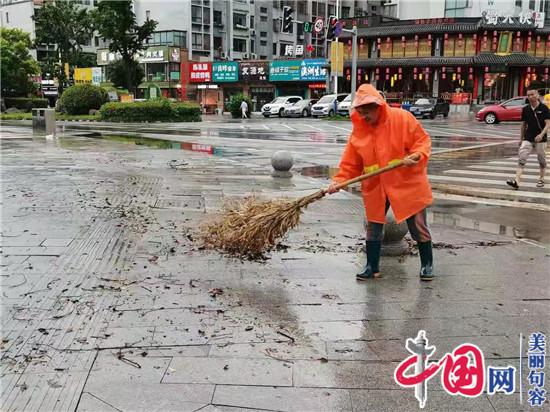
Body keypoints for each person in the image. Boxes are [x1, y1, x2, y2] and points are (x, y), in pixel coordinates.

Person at [327, 84, 434, 281]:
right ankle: (372, 267)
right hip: (376, 186)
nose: (363, 117)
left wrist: (417, 155)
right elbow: (350, 163)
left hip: (406, 182)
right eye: (360, 112)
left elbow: (422, 142)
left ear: (378, 106)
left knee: (418, 225)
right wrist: (339, 181)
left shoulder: (402, 119)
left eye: (366, 112)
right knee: (373, 226)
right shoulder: (359, 132)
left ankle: (427, 264)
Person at [506, 87, 549, 189]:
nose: (530, 97)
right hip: (528, 137)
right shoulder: (526, 109)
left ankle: (541, 179)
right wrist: (521, 139)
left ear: (537, 95)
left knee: (541, 160)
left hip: (541, 139)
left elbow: (548, 124)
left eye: (532, 94)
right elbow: (523, 124)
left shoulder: (544, 108)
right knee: (522, 157)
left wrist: (541, 135)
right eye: (528, 95)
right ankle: (516, 181)